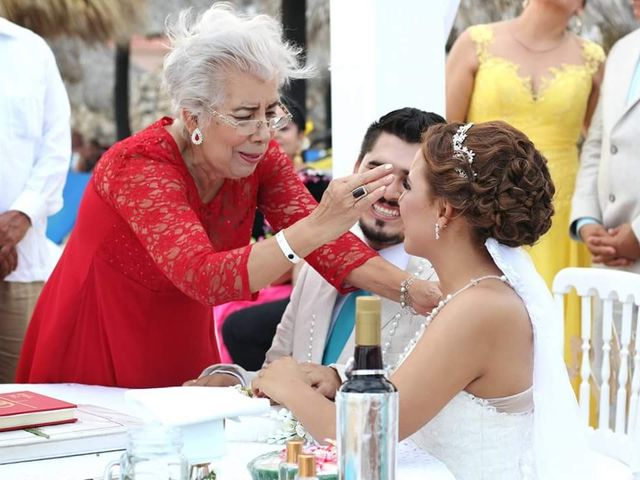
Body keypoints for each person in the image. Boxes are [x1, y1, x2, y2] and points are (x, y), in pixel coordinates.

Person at [16, 4, 439, 389]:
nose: (262, 132)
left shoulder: (259, 155)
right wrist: (314, 227)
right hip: (99, 327)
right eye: (244, 116)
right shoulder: (138, 165)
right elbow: (206, 277)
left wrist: (420, 292)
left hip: (181, 331)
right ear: (192, 115)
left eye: (271, 112)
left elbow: (329, 249)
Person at [254, 121, 592, 479]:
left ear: (444, 211)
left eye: (410, 185)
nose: (398, 197)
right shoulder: (472, 295)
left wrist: (287, 384)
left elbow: (365, 438)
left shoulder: (480, 310)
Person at [186, 107, 445, 384]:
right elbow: (278, 373)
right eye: (377, 172)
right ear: (356, 168)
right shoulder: (317, 265)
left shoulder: (440, 287)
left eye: (407, 182)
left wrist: (338, 381)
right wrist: (235, 383)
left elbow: (435, 397)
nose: (389, 193)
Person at [446, 0, 605, 380]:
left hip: (563, 219)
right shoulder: (475, 42)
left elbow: (602, 142)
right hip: (487, 212)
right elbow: (445, 140)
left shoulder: (594, 59)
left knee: (565, 337)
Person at [0, 17, 71, 383]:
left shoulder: (31, 50)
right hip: (9, 250)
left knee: (20, 404)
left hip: (20, 261)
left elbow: (56, 147)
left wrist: (22, 215)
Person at [570, 0, 640, 272]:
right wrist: (588, 221)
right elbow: (597, 143)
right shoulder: (621, 50)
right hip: (609, 263)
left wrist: (637, 235)